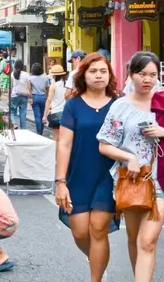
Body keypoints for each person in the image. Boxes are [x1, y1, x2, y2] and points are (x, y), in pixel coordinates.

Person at [97, 52, 164, 282]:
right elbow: (104, 145)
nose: (147, 79)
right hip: (132, 179)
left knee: (147, 240)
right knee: (135, 238)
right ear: (131, 74)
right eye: (142, 74)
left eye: (153, 75)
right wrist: (130, 158)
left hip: (161, 178)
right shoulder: (120, 106)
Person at [54, 53, 118, 282]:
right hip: (78, 175)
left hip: (109, 176)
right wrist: (60, 182)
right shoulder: (73, 105)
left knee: (99, 228)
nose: (98, 75)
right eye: (93, 71)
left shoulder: (118, 104)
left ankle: (96, 278)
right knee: (80, 231)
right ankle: (97, 262)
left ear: (109, 74)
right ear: (83, 75)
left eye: (103, 71)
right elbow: (64, 143)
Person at [42, 64, 68, 143]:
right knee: (64, 139)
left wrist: (45, 116)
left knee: (56, 138)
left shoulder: (53, 86)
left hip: (55, 114)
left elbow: (49, 101)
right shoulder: (68, 85)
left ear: (54, 76)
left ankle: (56, 155)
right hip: (66, 113)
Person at [28, 63, 50, 135]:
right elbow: (48, 88)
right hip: (43, 97)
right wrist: (47, 97)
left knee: (37, 116)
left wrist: (30, 98)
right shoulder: (45, 77)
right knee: (43, 115)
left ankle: (39, 131)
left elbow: (29, 89)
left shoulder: (30, 78)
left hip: (35, 97)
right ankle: (41, 130)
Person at [10, 61, 30, 129]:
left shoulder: (12, 74)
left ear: (15, 66)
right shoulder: (26, 74)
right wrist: (30, 96)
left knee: (12, 111)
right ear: (22, 67)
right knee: (23, 113)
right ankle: (23, 129)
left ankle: (14, 123)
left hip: (14, 95)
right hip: (24, 95)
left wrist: (8, 97)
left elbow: (11, 87)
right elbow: (29, 86)